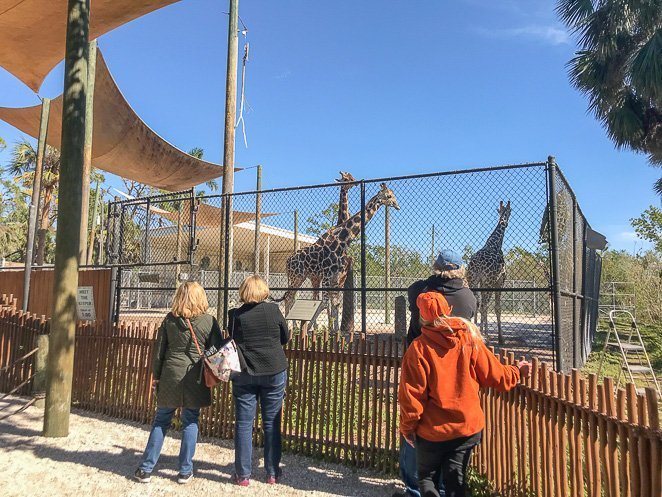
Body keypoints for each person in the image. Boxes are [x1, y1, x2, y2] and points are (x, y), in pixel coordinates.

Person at [399, 291, 530, 497]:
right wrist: (517, 371)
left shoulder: (418, 350)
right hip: (465, 429)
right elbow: (495, 375)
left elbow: (411, 398)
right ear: (448, 311)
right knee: (456, 481)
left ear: (421, 318)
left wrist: (408, 429)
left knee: (426, 479)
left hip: (432, 433)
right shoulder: (468, 339)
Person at [394, 250, 477, 497]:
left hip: (422, 363)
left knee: (416, 420)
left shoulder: (420, 290)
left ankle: (415, 488)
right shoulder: (468, 297)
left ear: (436, 267)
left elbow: (414, 296)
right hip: (456, 371)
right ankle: (441, 486)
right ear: (460, 269)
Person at [134, 281, 223, 485]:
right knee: (190, 420)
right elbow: (217, 351)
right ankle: (185, 470)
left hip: (171, 373)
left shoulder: (169, 320)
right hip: (196, 375)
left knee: (161, 420)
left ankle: (146, 468)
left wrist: (156, 375)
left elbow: (159, 351)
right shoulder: (209, 321)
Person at [229, 275, 290, 486]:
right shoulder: (273, 310)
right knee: (271, 422)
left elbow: (232, 340)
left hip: (245, 372)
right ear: (264, 290)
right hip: (274, 370)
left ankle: (243, 475)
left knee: (244, 424)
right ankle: (272, 472)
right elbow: (285, 337)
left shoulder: (235, 315)